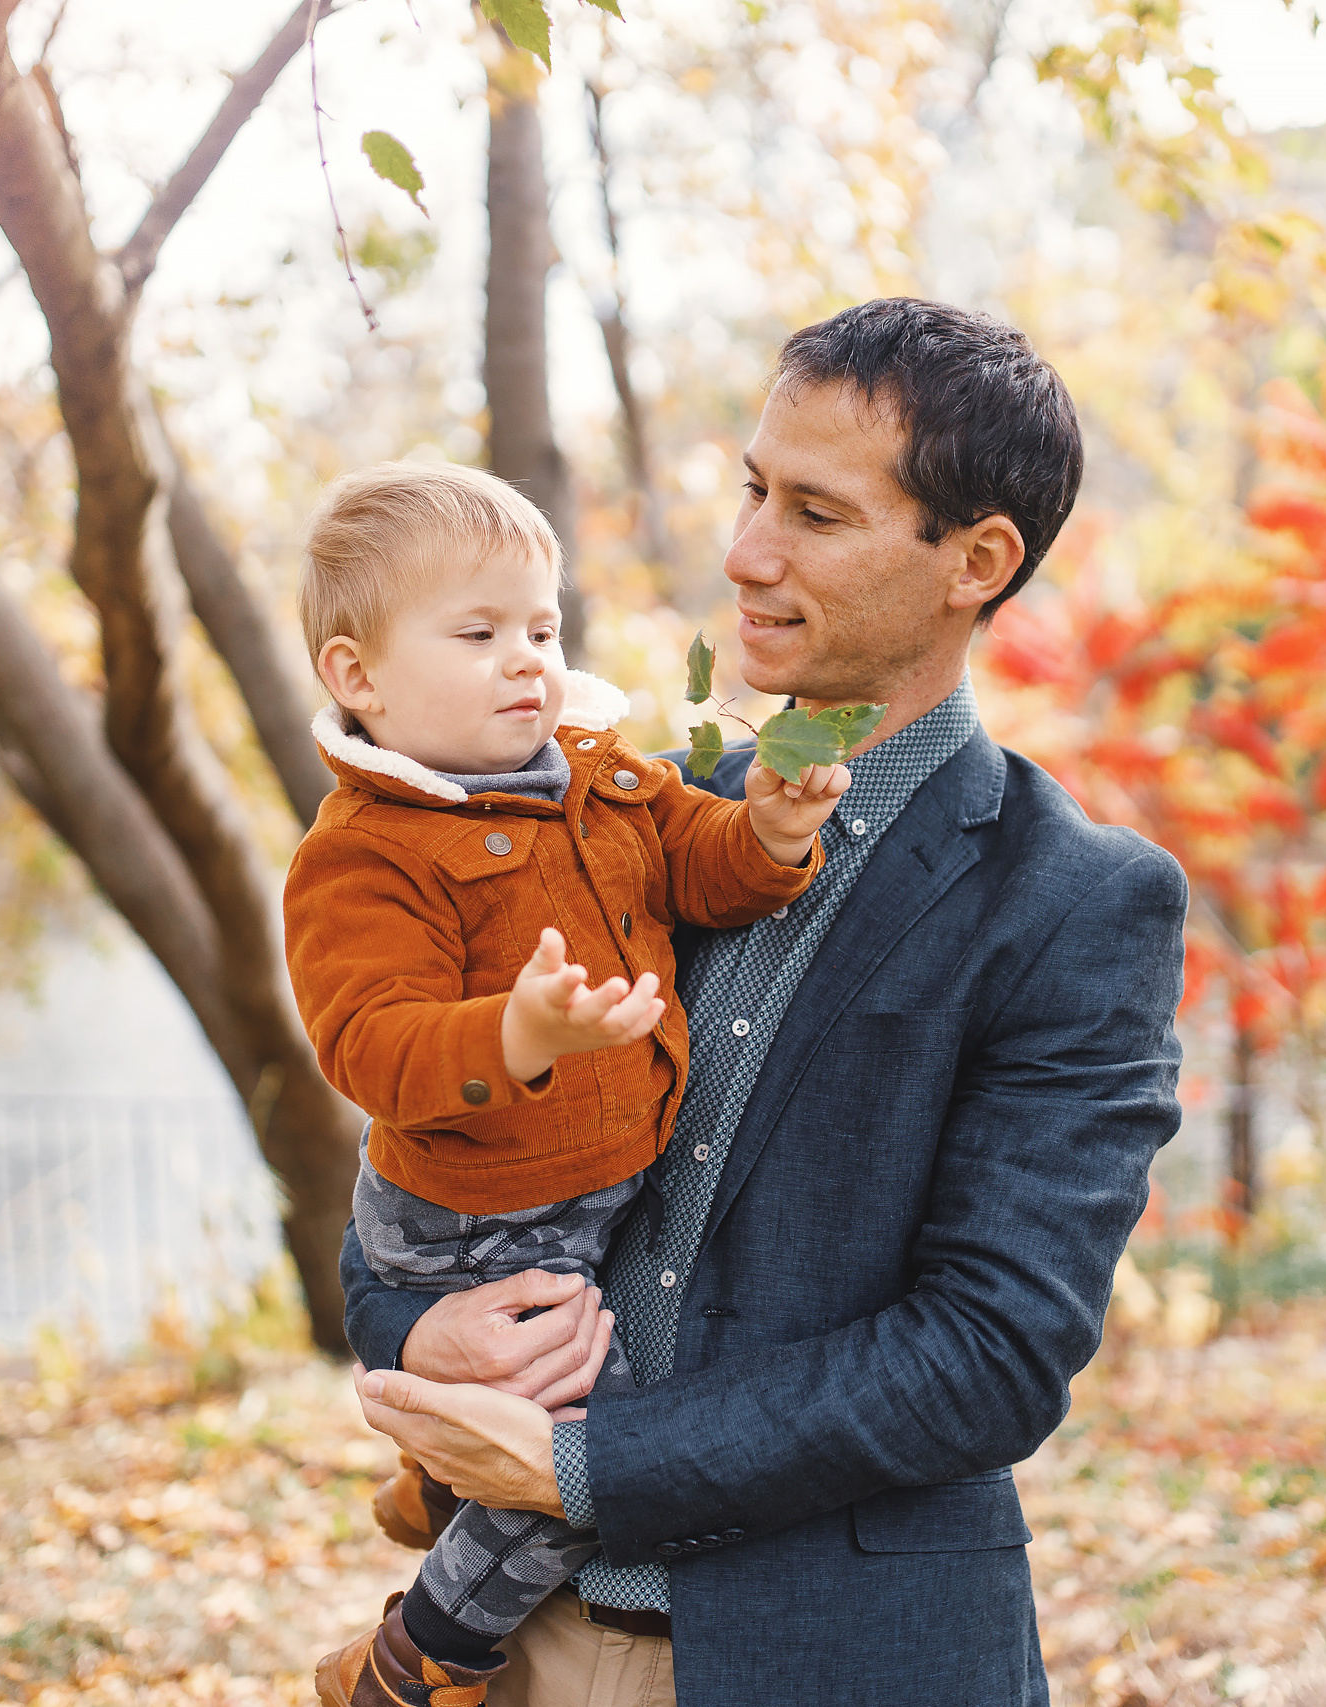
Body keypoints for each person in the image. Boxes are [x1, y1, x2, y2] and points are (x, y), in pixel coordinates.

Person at [339, 299, 1190, 1707]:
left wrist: (580, 1464)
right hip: (516, 1649)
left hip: (849, 1661)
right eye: (751, 489)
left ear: (975, 562)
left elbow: (992, 1348)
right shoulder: (626, 821)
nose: (745, 551)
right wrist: (412, 1324)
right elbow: (427, 1129)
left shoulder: (1077, 901)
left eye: (814, 512)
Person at [280, 461, 852, 1707]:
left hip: (583, 1194)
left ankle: (435, 1480)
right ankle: (417, 1652)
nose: (526, 660)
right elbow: (368, 1045)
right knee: (585, 1461)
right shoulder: (365, 855)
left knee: (573, 1437)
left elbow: (695, 864)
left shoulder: (598, 772)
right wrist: (515, 1034)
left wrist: (765, 834)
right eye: (477, 634)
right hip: (473, 1216)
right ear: (357, 677)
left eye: (540, 627)